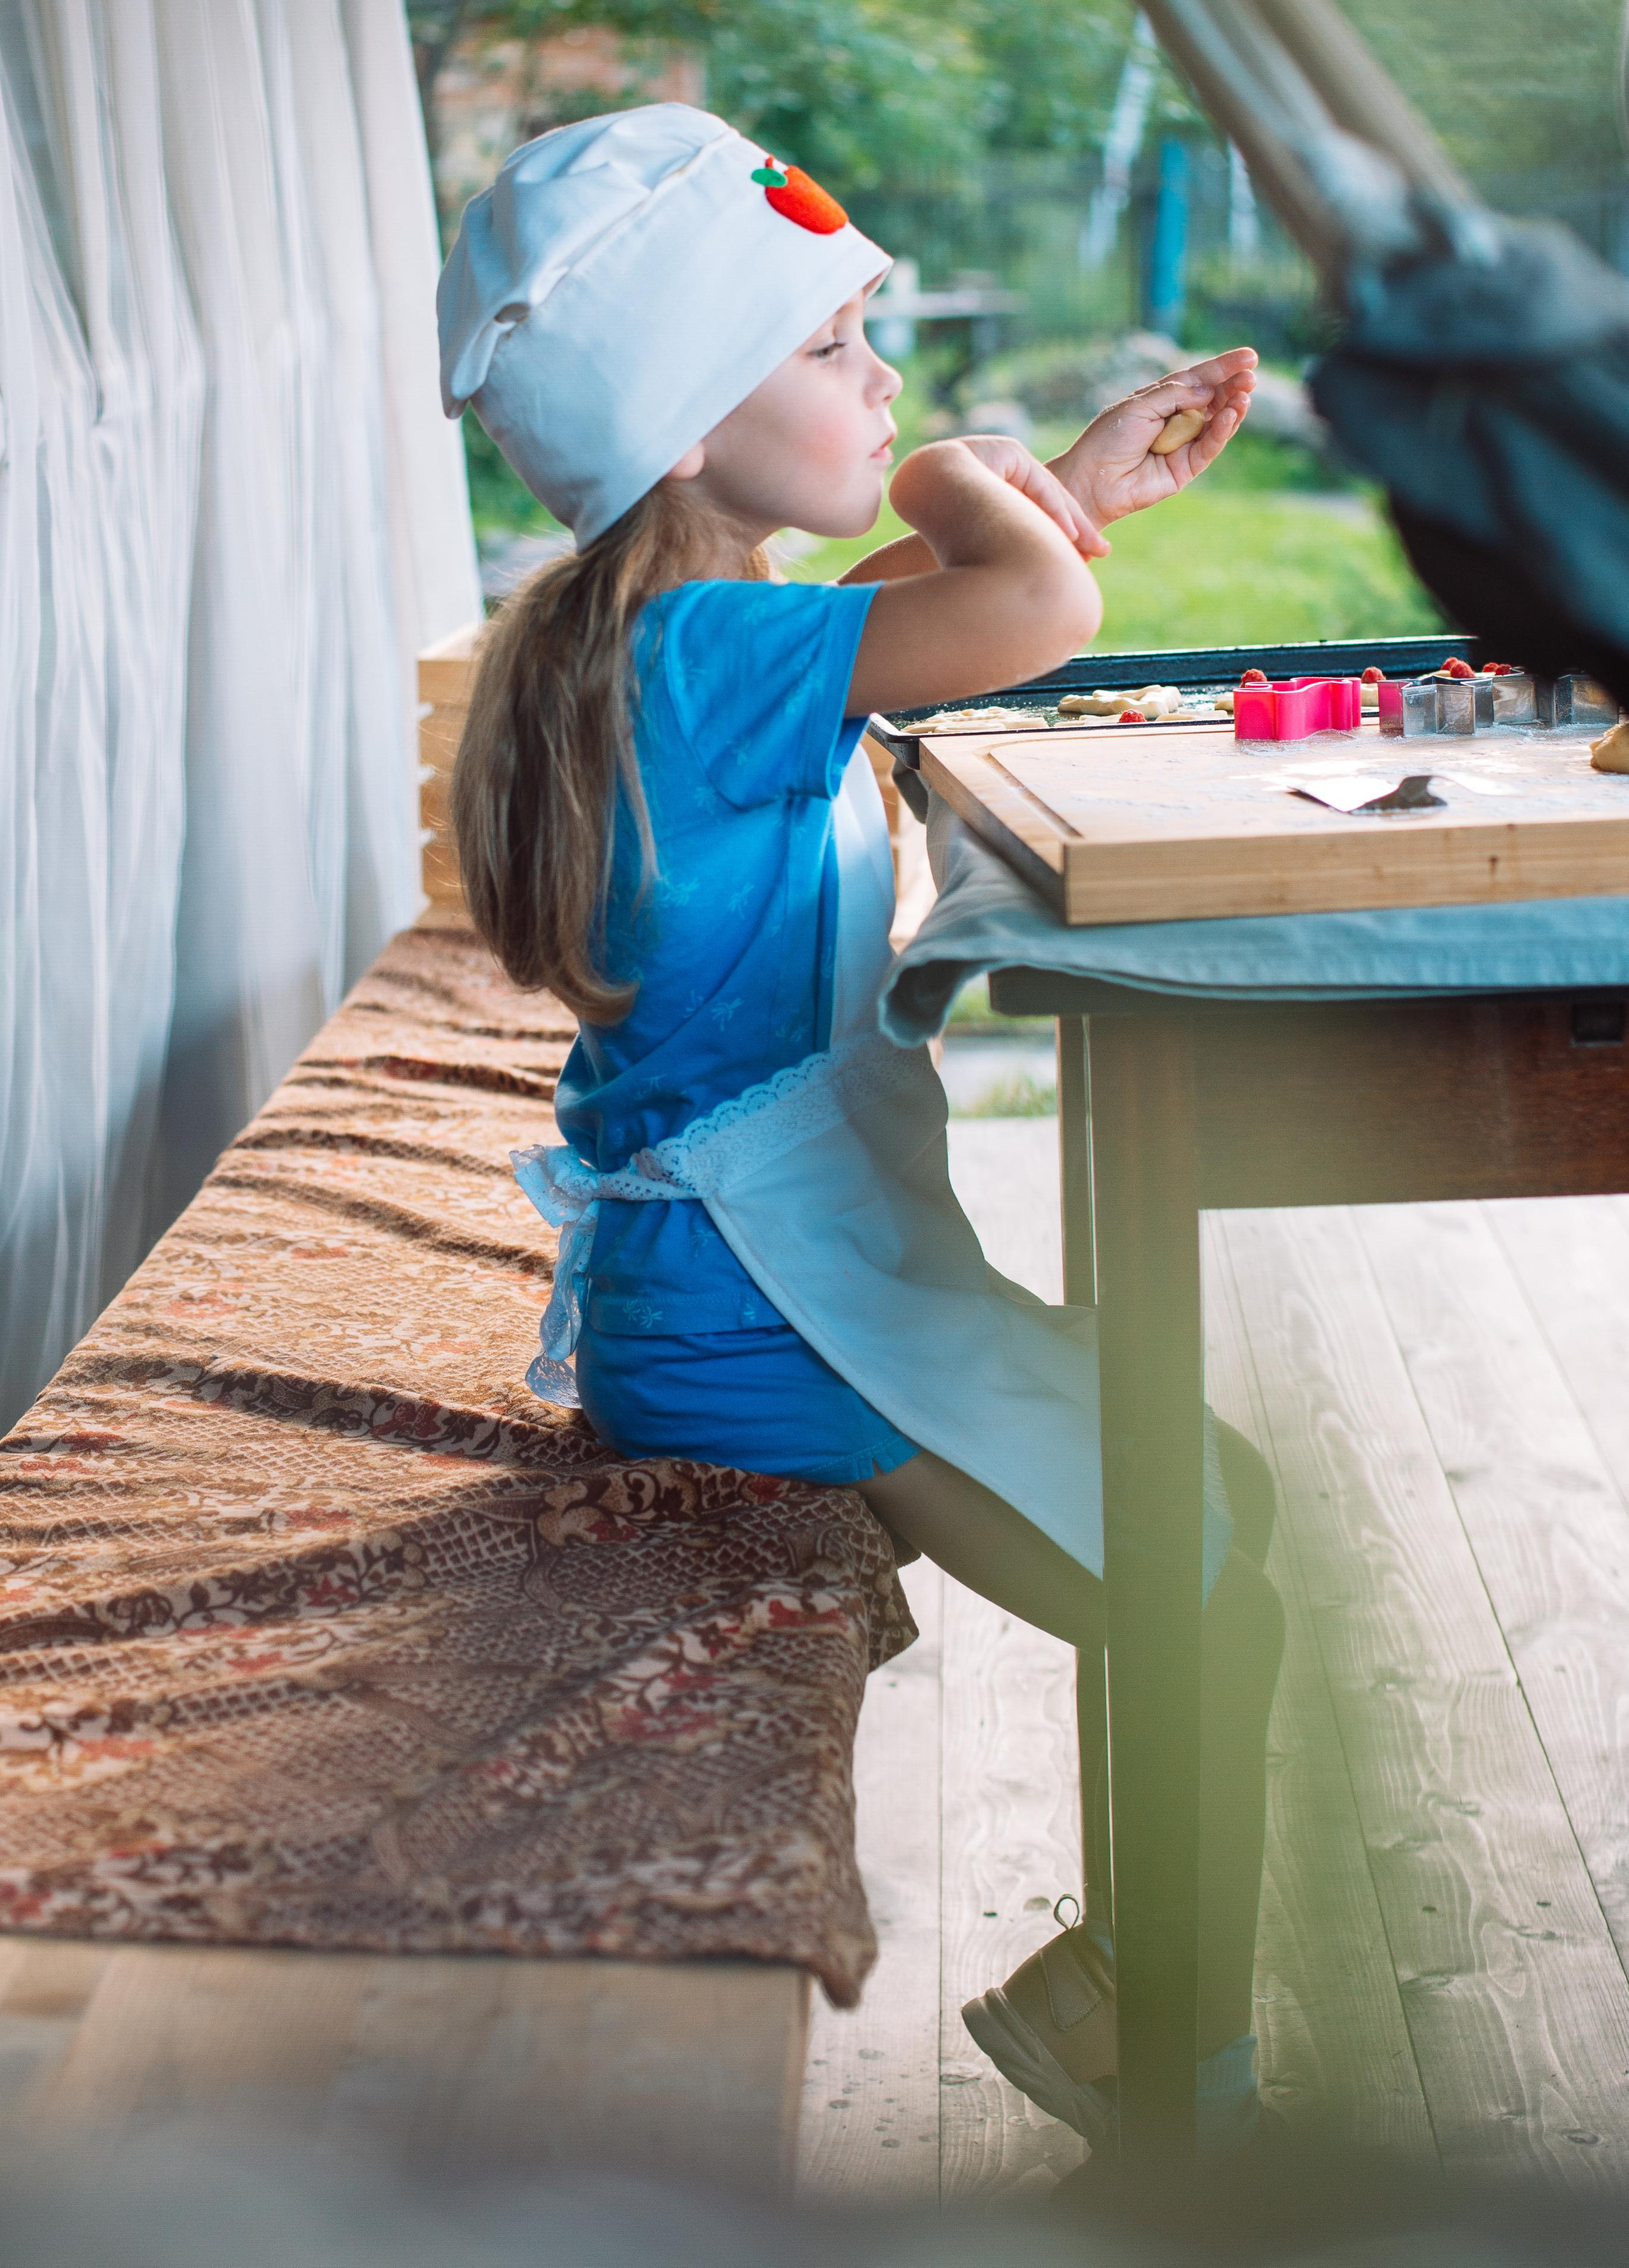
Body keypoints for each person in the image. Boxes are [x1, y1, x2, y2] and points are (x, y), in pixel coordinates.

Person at [438, 104, 1283, 2160]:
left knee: (1211, 1495)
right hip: (779, 1312)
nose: (886, 382)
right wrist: (975, 485)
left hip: (748, 1283)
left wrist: (1050, 491)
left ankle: (1128, 2000)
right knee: (1208, 1561)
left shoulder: (656, 635)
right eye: (834, 348)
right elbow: (1021, 616)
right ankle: (1179, 2076)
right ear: (679, 422)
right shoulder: (720, 653)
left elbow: (928, 599)